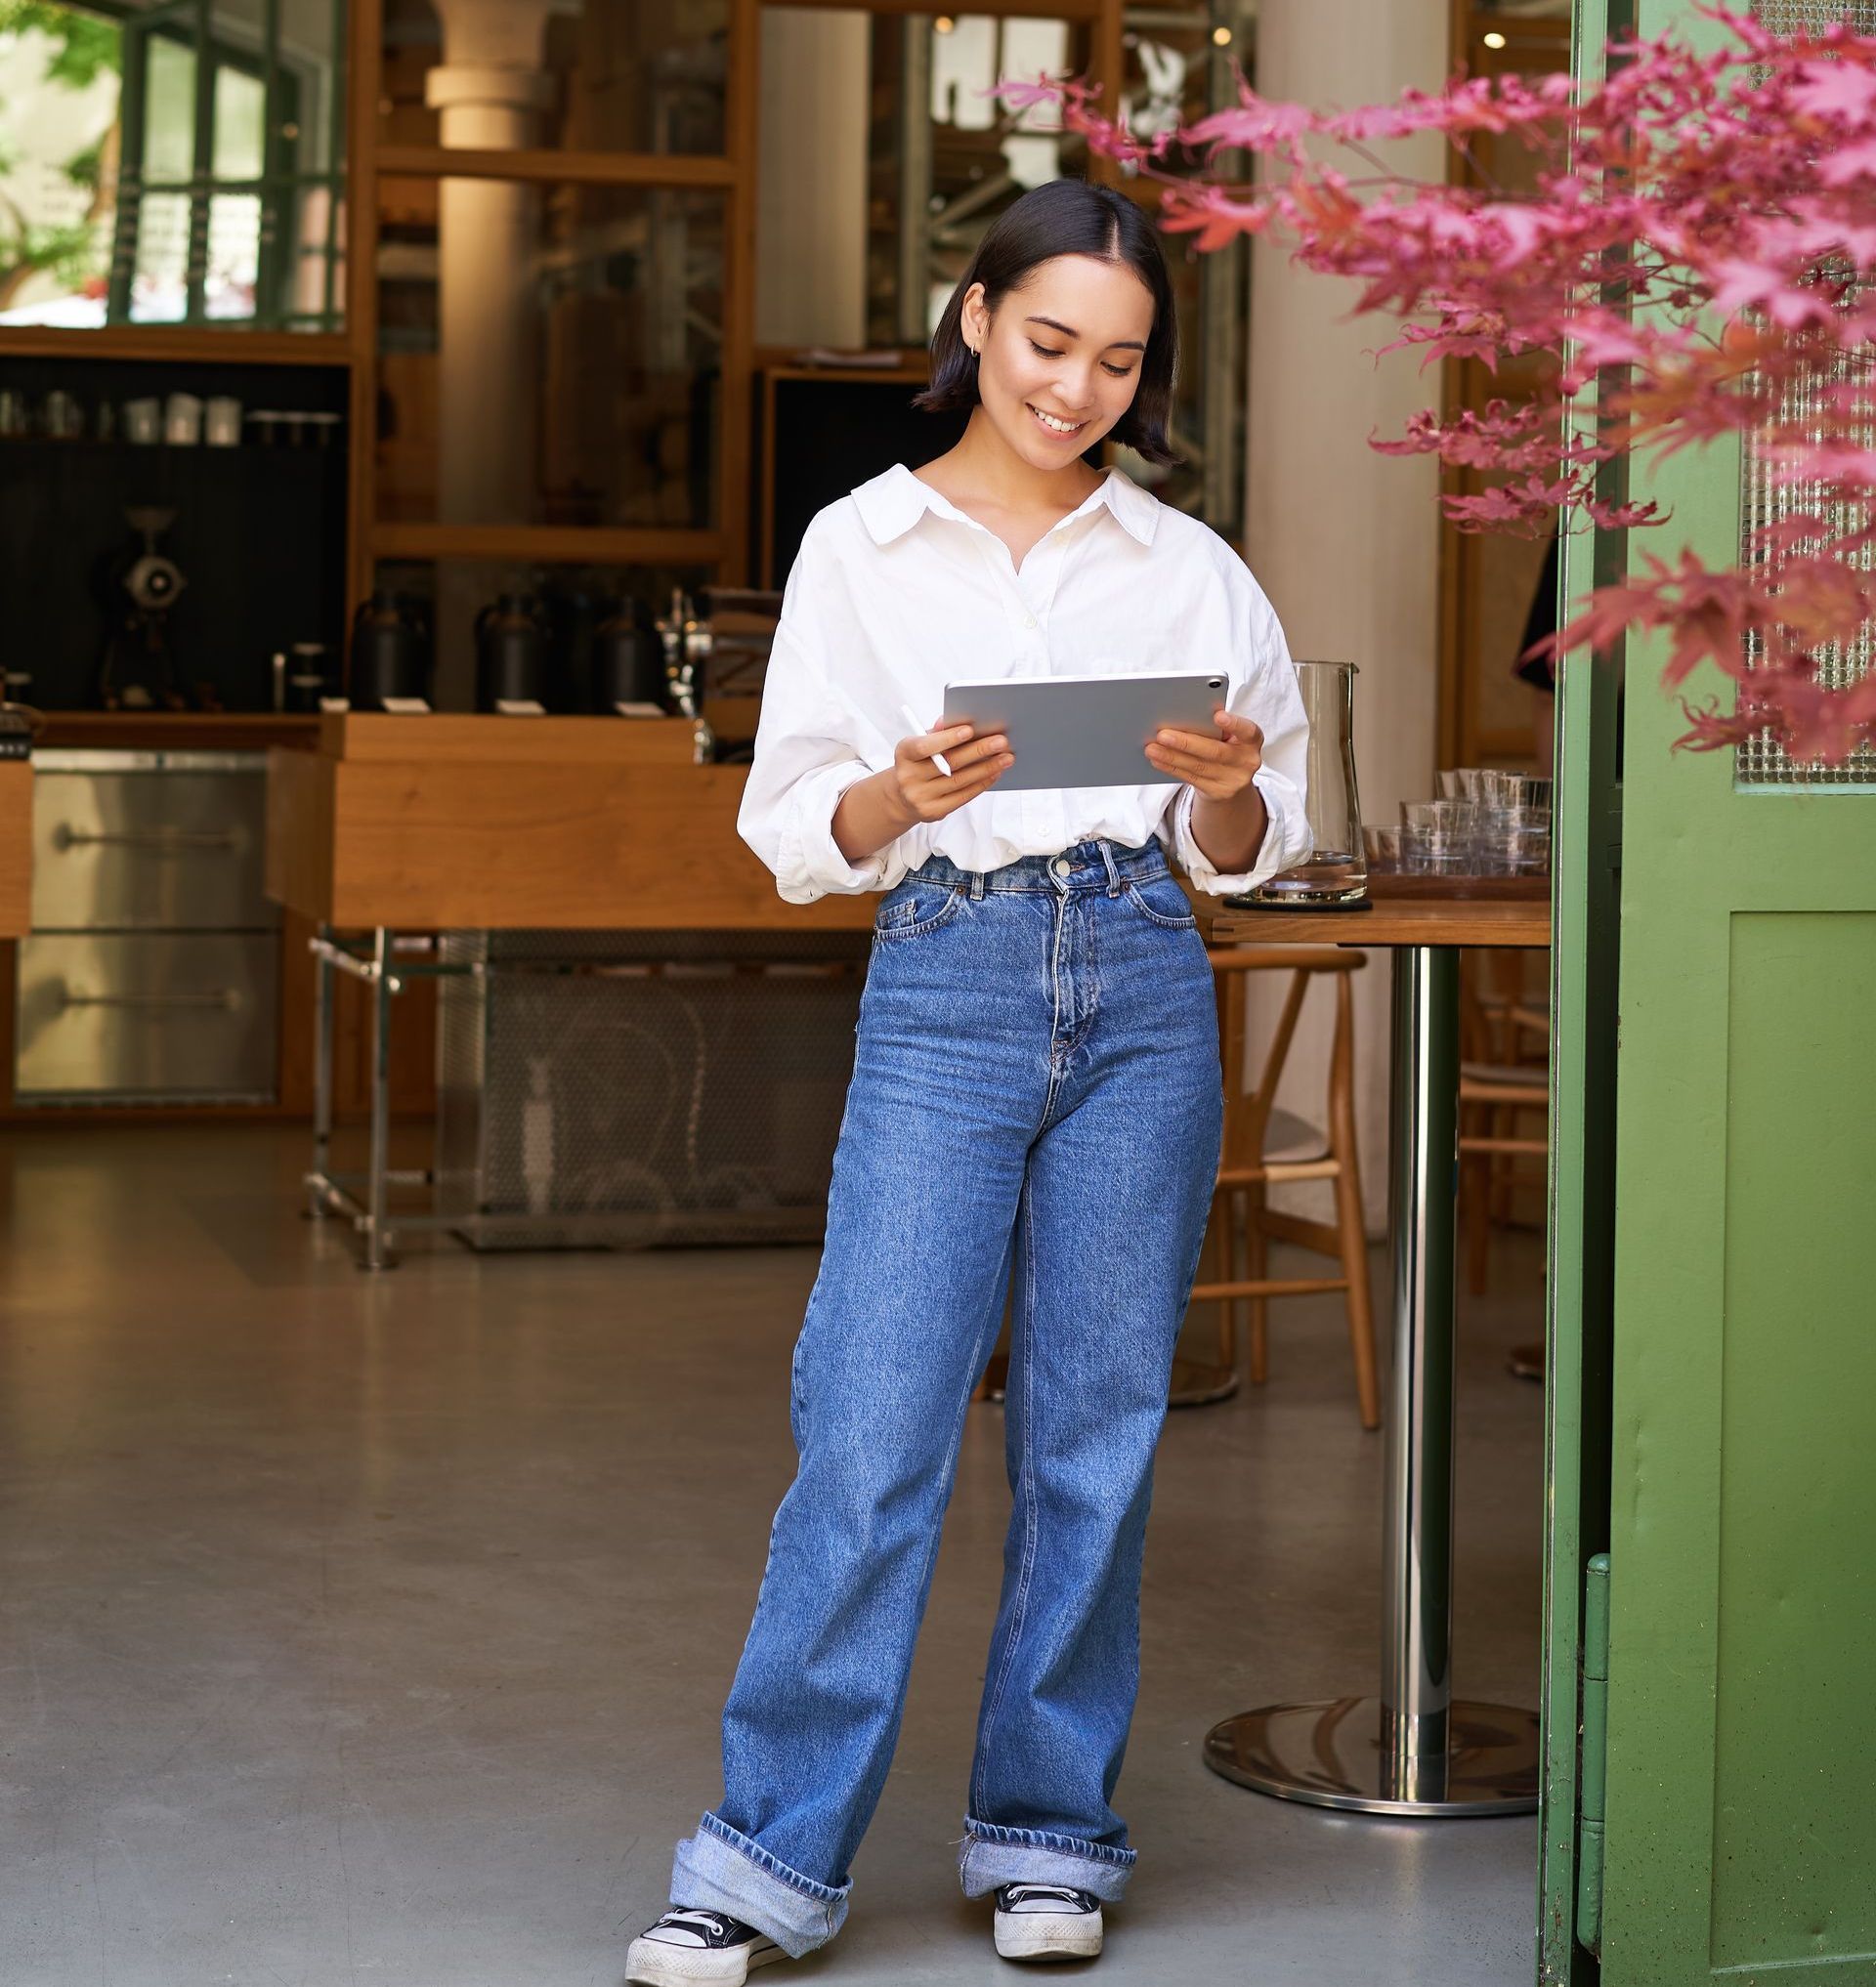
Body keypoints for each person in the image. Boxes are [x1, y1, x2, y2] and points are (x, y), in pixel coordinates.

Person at [625, 178, 1311, 1986]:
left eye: (1116, 360)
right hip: (947, 973)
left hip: (1145, 982)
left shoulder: (1189, 566)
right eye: (1046, 341)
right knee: (870, 1431)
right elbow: (799, 833)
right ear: (974, 318)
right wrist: (904, 795)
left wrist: (1227, 781)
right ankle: (765, 1857)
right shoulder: (862, 547)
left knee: (1096, 1434)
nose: (1075, 387)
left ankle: (1049, 1834)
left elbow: (1245, 843)